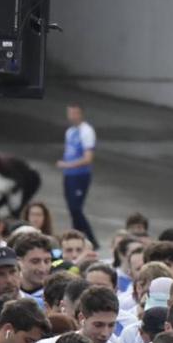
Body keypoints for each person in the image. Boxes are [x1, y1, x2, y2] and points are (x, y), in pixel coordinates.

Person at [58, 103, 99, 245]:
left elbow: (88, 158)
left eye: (75, 113)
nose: (72, 116)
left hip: (80, 175)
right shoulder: (69, 131)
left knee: (76, 208)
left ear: (81, 114)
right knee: (72, 208)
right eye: (70, 113)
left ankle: (91, 239)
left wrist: (67, 164)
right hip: (69, 174)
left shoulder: (86, 131)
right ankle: (77, 237)